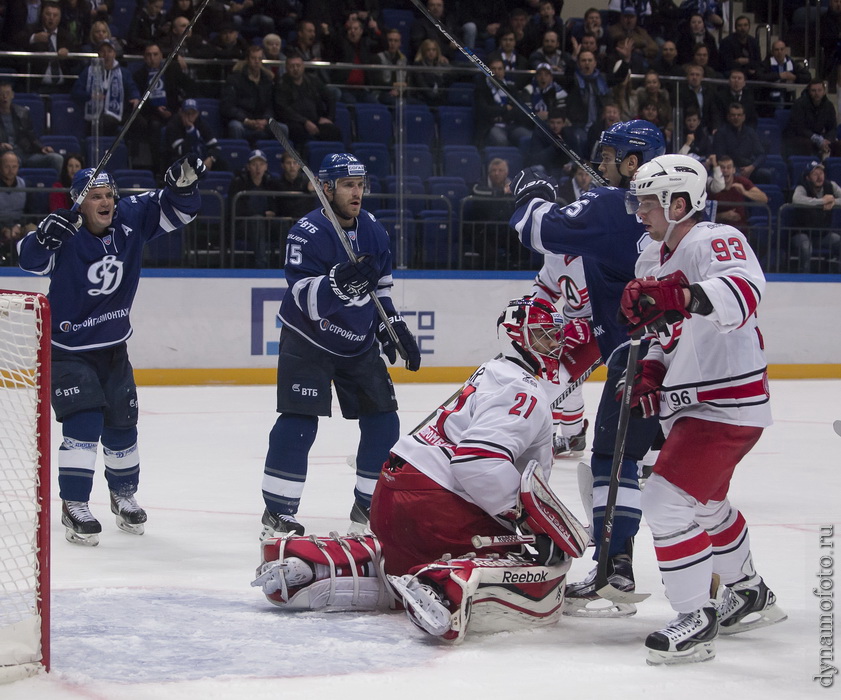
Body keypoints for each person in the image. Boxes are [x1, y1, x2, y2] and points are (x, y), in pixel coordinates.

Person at [252, 297, 594, 643]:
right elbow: (477, 463)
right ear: (514, 336)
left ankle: (315, 568)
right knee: (529, 563)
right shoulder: (524, 391)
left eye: (555, 335)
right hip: (436, 510)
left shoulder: (493, 371)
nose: (554, 344)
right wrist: (529, 522)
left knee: (398, 561)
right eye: (543, 336)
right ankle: (444, 587)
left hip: (390, 498)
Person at [620, 153, 786, 665]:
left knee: (665, 502)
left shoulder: (713, 238)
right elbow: (663, 332)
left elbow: (743, 291)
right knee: (707, 506)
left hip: (726, 401)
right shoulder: (650, 255)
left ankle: (696, 616)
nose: (640, 210)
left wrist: (682, 294)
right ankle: (749, 590)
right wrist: (651, 366)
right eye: (639, 200)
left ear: (680, 202)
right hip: (693, 402)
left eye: (649, 201)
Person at [510, 120, 665, 616]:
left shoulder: (611, 208)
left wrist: (530, 193)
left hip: (642, 362)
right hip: (688, 359)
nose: (600, 165)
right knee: (669, 477)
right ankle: (726, 579)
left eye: (610, 155)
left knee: (619, 465)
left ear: (634, 163)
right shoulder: (679, 213)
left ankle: (618, 567)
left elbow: (533, 227)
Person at [16, 154, 205, 545]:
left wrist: (182, 185)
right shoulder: (64, 230)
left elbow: (180, 210)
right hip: (68, 349)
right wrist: (41, 237)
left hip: (114, 349)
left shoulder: (131, 217)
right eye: (95, 197)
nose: (105, 202)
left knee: (123, 427)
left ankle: (123, 495)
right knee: (83, 424)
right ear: (78, 202)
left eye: (109, 195)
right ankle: (74, 504)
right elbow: (28, 261)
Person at [259, 153, 422, 540]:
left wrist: (392, 326)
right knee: (299, 422)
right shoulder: (307, 232)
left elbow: (381, 288)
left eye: (361, 185)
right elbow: (302, 296)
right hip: (308, 339)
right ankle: (278, 511)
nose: (357, 193)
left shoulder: (375, 232)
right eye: (349, 185)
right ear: (326, 188)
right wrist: (336, 285)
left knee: (384, 420)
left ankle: (370, 506)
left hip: (357, 341)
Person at [71, 38, 141, 138]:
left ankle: (133, 153)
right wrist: (90, 96)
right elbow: (75, 91)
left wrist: (135, 97)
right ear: (98, 54)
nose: (106, 55)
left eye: (109, 51)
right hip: (94, 115)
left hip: (117, 113)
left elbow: (132, 88)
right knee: (104, 123)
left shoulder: (124, 73)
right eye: (102, 51)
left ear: (114, 54)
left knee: (139, 122)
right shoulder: (88, 71)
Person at [273, 52, 342, 149]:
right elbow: (283, 109)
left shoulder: (313, 80)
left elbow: (330, 97)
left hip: (315, 120)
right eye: (292, 66)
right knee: (297, 131)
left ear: (303, 67)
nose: (296, 69)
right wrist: (305, 121)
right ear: (286, 68)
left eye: (298, 65)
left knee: (333, 130)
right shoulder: (281, 84)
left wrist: (328, 118)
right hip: (295, 122)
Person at [228, 149, 283, 269]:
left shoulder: (271, 183)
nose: (258, 168)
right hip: (244, 224)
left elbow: (278, 204)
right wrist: (263, 214)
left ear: (266, 166)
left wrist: (273, 212)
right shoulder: (239, 183)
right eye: (254, 164)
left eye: (261, 164)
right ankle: (261, 264)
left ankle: (287, 264)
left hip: (267, 223)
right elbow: (237, 209)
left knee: (285, 224)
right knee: (257, 221)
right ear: (248, 167)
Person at [0, 78, 64, 173]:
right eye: (1, 94)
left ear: (12, 95)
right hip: (5, 156)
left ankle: (57, 186)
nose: (5, 97)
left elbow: (32, 137)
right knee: (12, 162)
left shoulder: (22, 113)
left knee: (56, 158)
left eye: (7, 93)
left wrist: (42, 148)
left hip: (25, 153)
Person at [788, 160, 841, 273]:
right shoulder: (802, 187)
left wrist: (833, 202)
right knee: (805, 246)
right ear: (808, 177)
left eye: (821, 173)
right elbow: (797, 199)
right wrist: (822, 201)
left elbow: (834, 199)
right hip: (801, 233)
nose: (819, 177)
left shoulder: (830, 185)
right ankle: (804, 274)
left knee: (838, 240)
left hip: (822, 235)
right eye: (815, 174)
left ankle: (837, 271)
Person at [219, 44, 274, 144]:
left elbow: (270, 105)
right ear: (247, 59)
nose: (257, 61)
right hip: (242, 120)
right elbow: (227, 106)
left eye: (259, 58)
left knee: (283, 129)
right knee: (235, 127)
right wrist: (246, 120)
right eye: (253, 58)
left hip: (261, 119)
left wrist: (265, 119)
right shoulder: (235, 79)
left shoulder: (267, 80)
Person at [708, 154, 769, 240]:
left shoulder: (741, 181)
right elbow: (704, 215)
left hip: (739, 231)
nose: (725, 170)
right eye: (722, 167)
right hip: (716, 231)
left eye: (728, 167)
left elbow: (764, 198)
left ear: (733, 170)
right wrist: (722, 216)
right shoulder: (711, 185)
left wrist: (745, 192)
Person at [474, 58, 532, 149]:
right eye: (493, 69)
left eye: (500, 69)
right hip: (492, 126)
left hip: (512, 125)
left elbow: (518, 109)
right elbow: (484, 110)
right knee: (501, 140)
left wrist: (502, 115)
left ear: (504, 71)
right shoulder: (481, 89)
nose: (496, 72)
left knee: (529, 137)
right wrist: (505, 109)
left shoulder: (511, 88)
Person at [783, 79, 840, 160]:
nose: (817, 93)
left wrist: (828, 140)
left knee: (838, 145)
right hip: (799, 136)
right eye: (813, 90)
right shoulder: (799, 104)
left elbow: (832, 128)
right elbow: (799, 128)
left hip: (819, 136)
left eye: (819, 90)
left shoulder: (829, 106)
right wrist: (818, 140)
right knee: (807, 144)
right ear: (809, 91)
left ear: (824, 91)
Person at [163, 98, 223, 174]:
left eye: (193, 113)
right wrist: (191, 131)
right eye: (187, 113)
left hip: (201, 159)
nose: (190, 116)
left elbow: (215, 146)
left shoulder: (201, 123)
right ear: (181, 112)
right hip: (181, 160)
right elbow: (181, 151)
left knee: (221, 163)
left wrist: (211, 158)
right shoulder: (173, 125)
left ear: (197, 114)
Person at [756, 40, 810, 117]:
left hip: (787, 96)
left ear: (785, 51)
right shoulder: (767, 63)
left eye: (782, 49)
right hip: (769, 97)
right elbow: (759, 76)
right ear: (772, 52)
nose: (779, 52)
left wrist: (795, 77)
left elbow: (807, 76)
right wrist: (779, 76)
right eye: (777, 50)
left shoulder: (791, 62)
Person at [0, 150, 35, 264]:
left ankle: (32, 264)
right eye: (7, 167)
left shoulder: (26, 185)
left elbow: (32, 212)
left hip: (19, 226)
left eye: (14, 167)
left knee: (33, 229)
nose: (11, 170)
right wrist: (3, 229)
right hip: (1, 226)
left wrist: (19, 226)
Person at [718, 15, 761, 79]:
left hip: (750, 72)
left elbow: (758, 62)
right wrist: (738, 62)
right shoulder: (726, 42)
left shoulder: (753, 42)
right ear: (735, 28)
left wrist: (748, 61)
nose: (743, 28)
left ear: (749, 27)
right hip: (732, 73)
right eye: (740, 25)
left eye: (745, 25)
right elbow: (725, 64)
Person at [275, 150, 314, 221]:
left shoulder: (308, 182)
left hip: (303, 220)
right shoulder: (277, 183)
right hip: (284, 221)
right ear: (282, 165)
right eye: (288, 163)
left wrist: (313, 191)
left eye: (295, 162)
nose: (292, 166)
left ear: (299, 165)